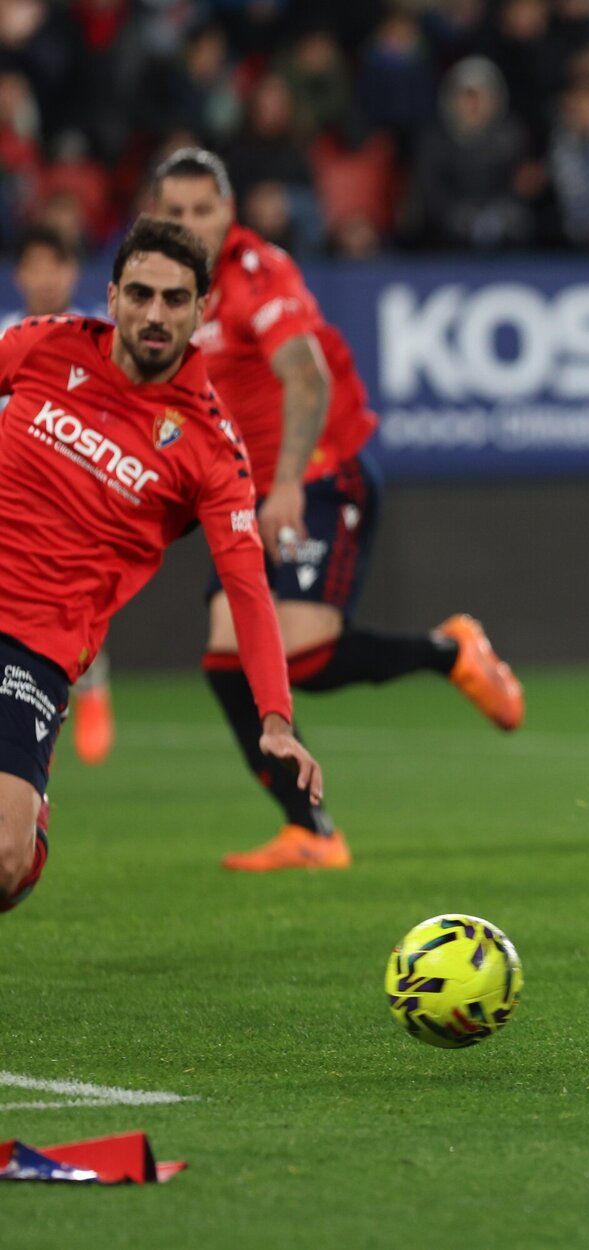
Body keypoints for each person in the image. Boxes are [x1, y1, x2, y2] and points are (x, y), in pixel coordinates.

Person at [151, 149, 524, 873]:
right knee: (229, 661)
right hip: (247, 493)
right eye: (176, 213)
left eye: (204, 210)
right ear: (154, 216)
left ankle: (451, 651)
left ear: (229, 212)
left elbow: (305, 374)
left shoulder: (257, 272)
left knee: (301, 654)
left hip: (320, 477)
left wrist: (287, 480)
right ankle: (313, 831)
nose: (191, 224)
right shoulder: (167, 288)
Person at [0, 217, 322, 914]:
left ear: (201, 311)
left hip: (34, 647)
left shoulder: (210, 446)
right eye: (140, 294)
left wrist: (275, 718)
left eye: (175, 300)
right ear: (112, 295)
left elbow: (246, 585)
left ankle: (30, 834)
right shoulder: (44, 346)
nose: (155, 314)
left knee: (5, 863)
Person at [8, 225, 118, 768]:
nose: (46, 277)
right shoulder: (4, 335)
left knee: (67, 607)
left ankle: (89, 681)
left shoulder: (99, 337)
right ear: (18, 274)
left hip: (73, 501)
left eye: (57, 264)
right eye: (35, 265)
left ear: (73, 272)